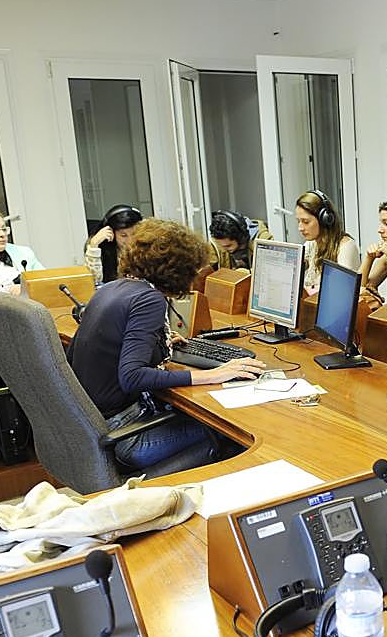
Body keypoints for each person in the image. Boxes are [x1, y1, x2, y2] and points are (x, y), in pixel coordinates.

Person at [67, 218, 266, 471]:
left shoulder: (112, 288)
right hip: (128, 434)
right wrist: (213, 374)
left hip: (95, 425)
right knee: (234, 429)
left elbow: (97, 352)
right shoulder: (149, 299)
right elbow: (132, 377)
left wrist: (156, 343)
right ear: (179, 269)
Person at [294, 190, 360, 293]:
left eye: (306, 222)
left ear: (325, 219)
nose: (300, 228)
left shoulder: (346, 247)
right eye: (298, 221)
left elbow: (342, 291)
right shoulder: (311, 244)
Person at [85, 204, 144, 285]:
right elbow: (93, 283)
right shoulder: (103, 249)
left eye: (134, 234)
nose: (130, 240)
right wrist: (94, 246)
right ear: (111, 233)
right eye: (123, 235)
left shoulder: (146, 247)